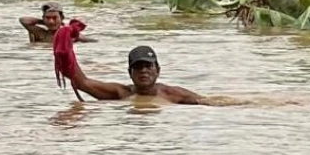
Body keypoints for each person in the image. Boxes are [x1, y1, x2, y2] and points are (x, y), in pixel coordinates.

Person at [61, 44, 205, 105]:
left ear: (158, 70)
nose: (143, 71)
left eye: (148, 66)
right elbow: (82, 83)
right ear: (130, 73)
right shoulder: (121, 92)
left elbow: (208, 101)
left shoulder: (174, 94)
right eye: (137, 67)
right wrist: (65, 53)